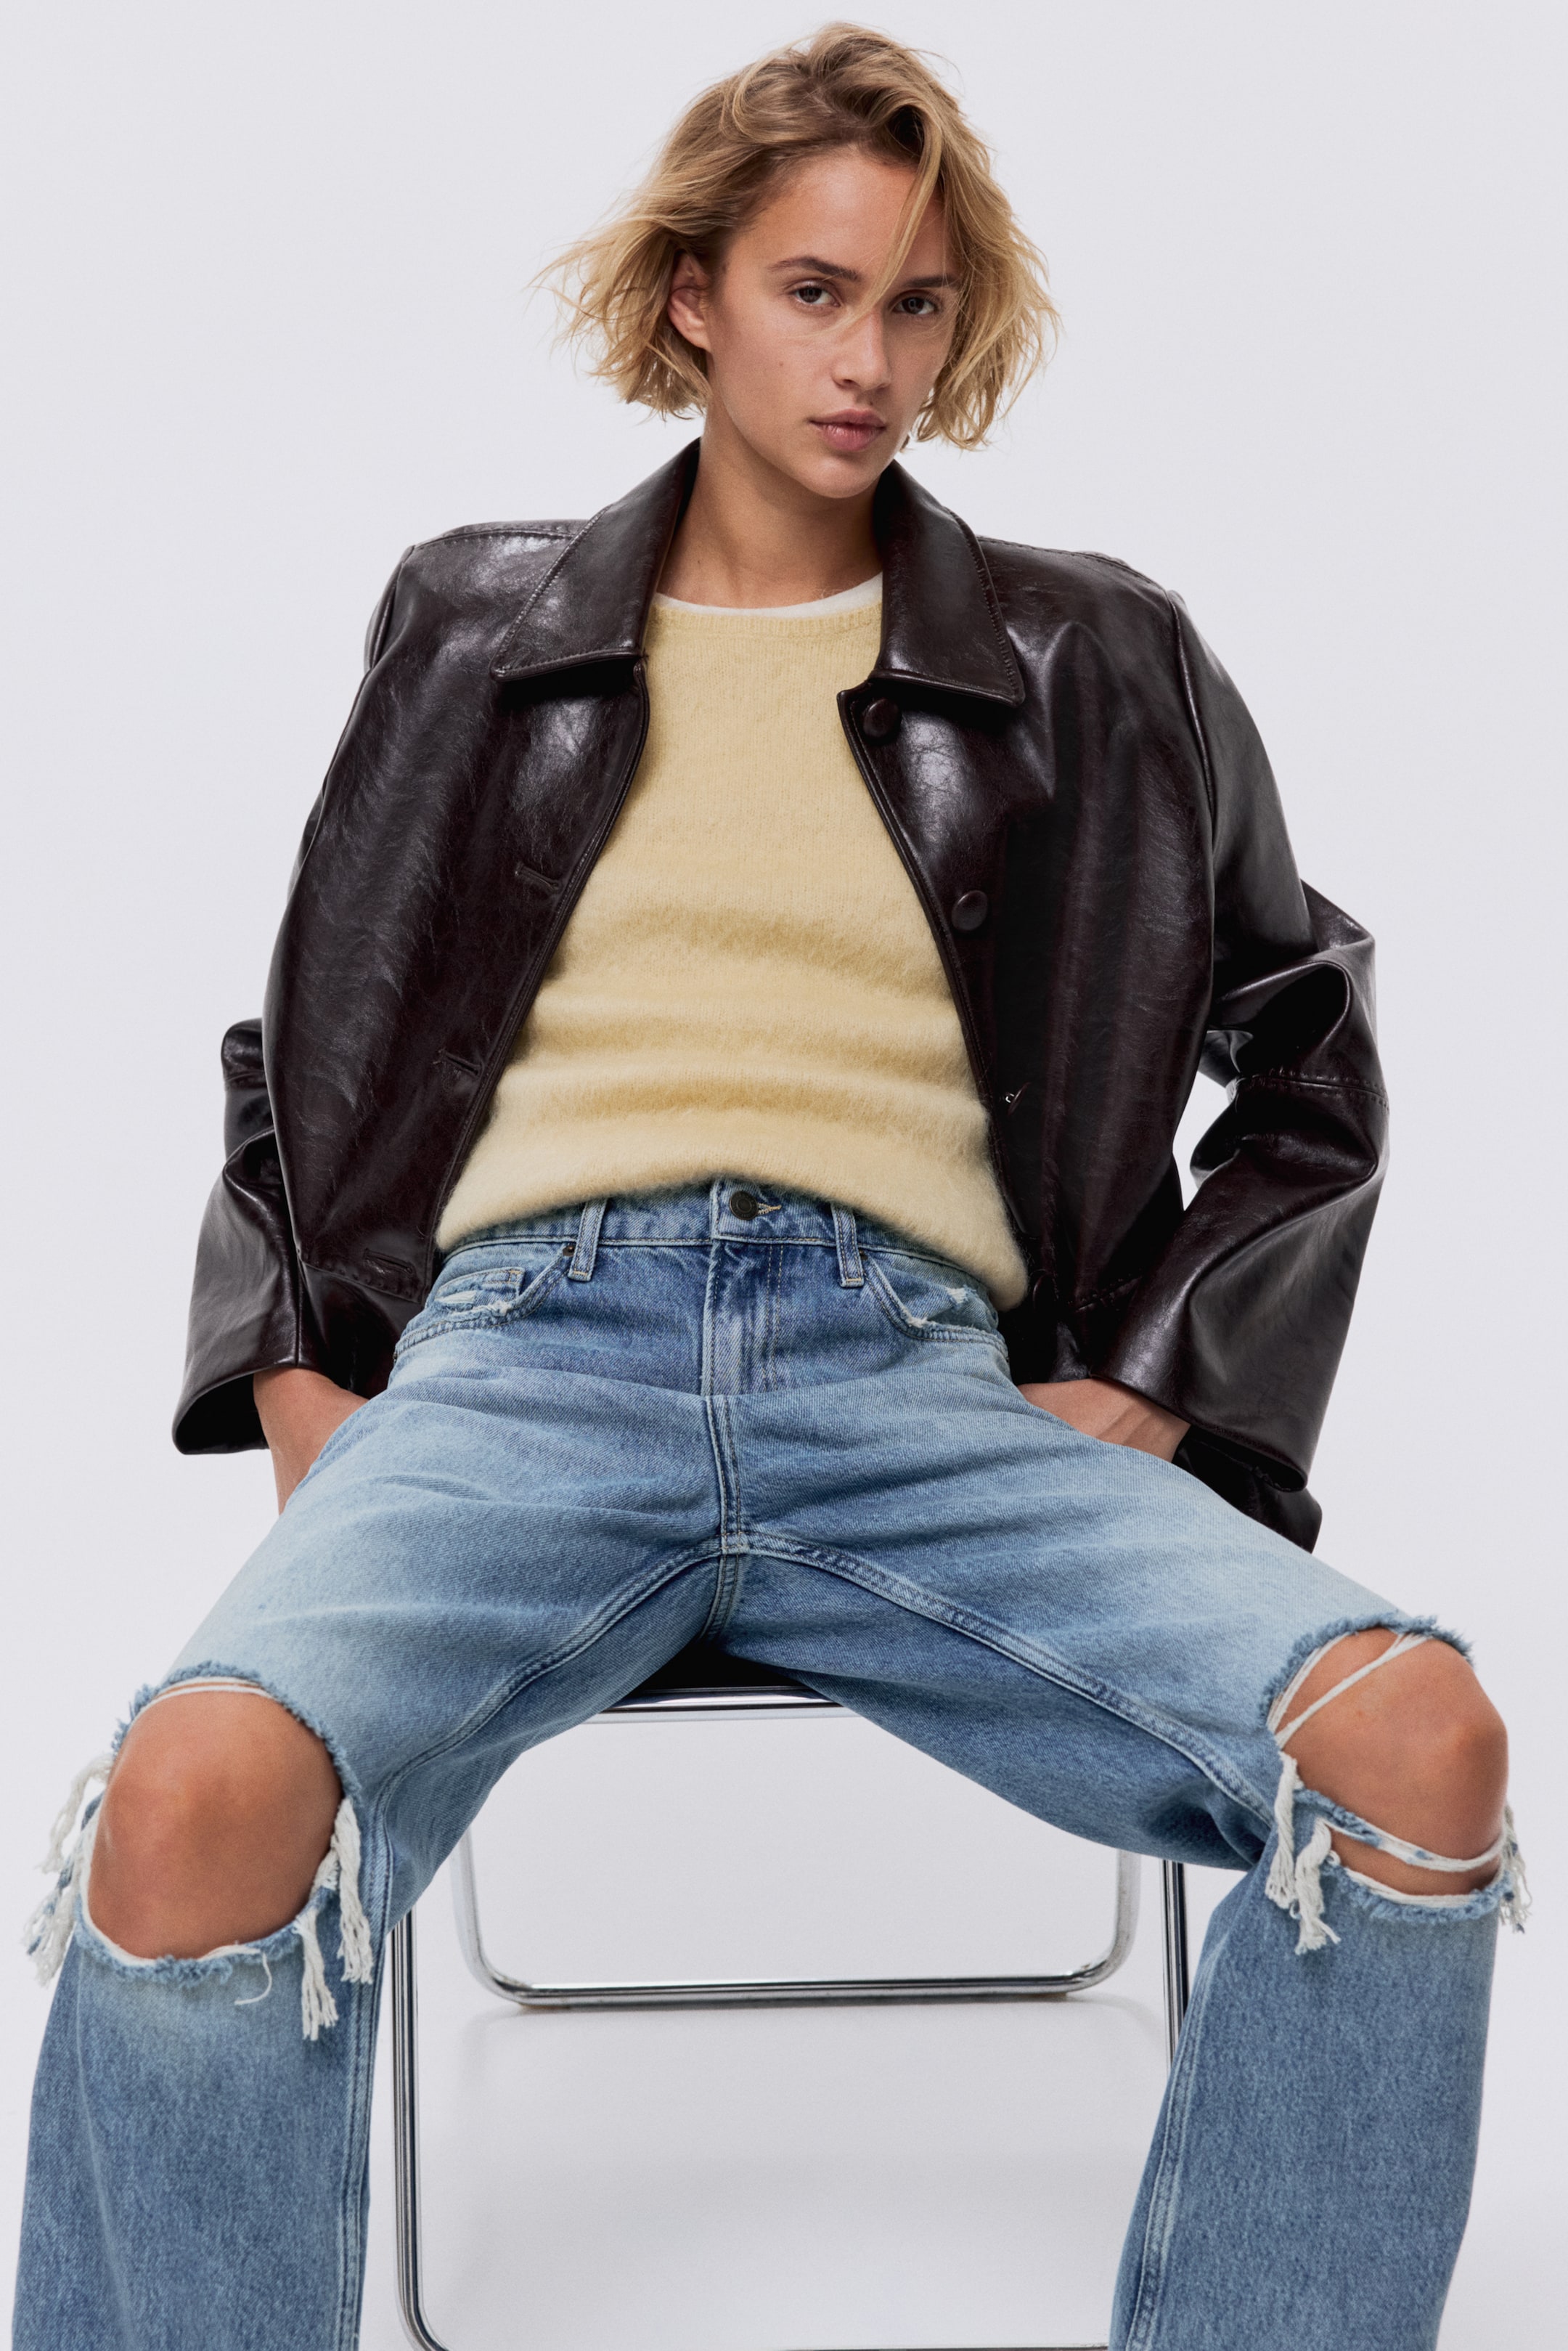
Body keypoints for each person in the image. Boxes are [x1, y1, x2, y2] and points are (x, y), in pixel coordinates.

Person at [15, 25, 1524, 2351]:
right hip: (520, 1367)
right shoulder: (477, 628)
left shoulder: (1090, 651)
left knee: (1420, 1747)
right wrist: (308, 1378)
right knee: (189, 1791)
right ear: (694, 296)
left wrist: (1152, 1376)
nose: (870, 360)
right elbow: (305, 1041)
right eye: (817, 292)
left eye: (918, 306)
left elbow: (1309, 1032)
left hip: (915, 1386)